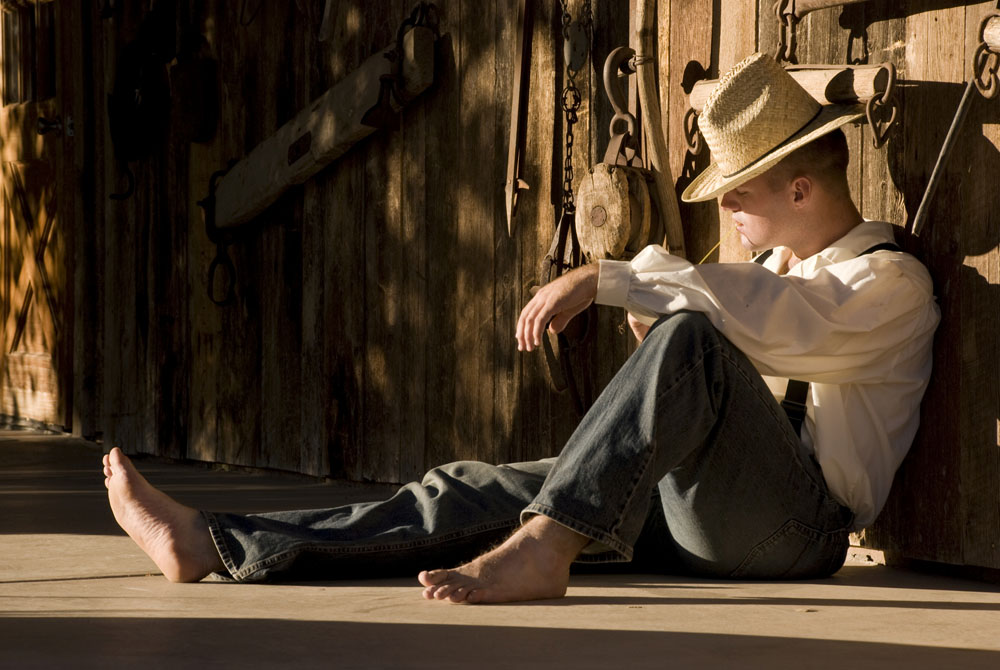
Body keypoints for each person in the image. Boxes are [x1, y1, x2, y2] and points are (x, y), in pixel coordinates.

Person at [102, 52, 939, 604]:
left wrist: (609, 279)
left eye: (737, 192)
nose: (723, 207)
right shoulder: (771, 276)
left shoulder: (890, 285)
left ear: (800, 191)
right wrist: (661, 349)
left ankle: (547, 548)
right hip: (711, 513)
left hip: (801, 532)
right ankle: (217, 544)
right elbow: (746, 333)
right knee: (474, 490)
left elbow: (781, 327)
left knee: (689, 342)